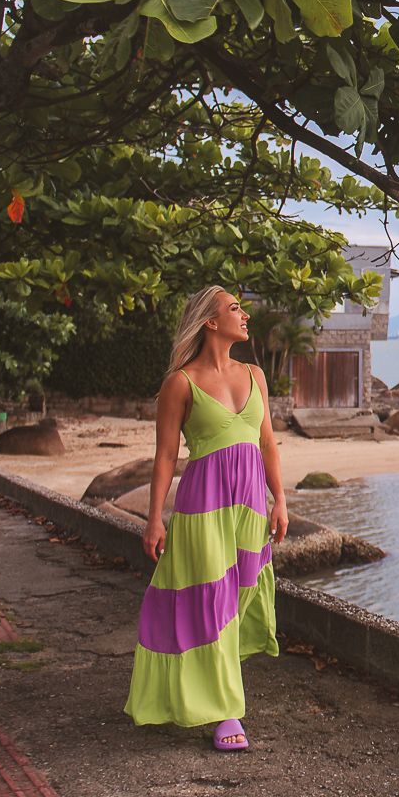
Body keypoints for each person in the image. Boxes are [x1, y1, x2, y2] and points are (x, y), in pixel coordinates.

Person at [123, 286, 289, 750]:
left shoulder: (255, 374)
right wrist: (154, 518)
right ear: (211, 322)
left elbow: (268, 443)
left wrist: (280, 500)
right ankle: (227, 714)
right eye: (235, 308)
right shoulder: (181, 382)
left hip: (251, 506)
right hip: (202, 508)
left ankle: (209, 694)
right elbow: (164, 457)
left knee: (236, 602)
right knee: (212, 605)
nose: (245, 314)